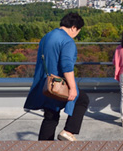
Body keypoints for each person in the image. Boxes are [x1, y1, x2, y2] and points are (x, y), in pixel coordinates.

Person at [24, 12, 89, 141]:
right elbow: (67, 66)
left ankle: (44, 147)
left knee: (50, 116)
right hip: (59, 83)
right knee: (82, 99)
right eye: (78, 31)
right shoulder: (67, 41)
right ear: (74, 27)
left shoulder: (47, 36)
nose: (76, 35)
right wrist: (72, 88)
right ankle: (68, 131)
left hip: (46, 83)